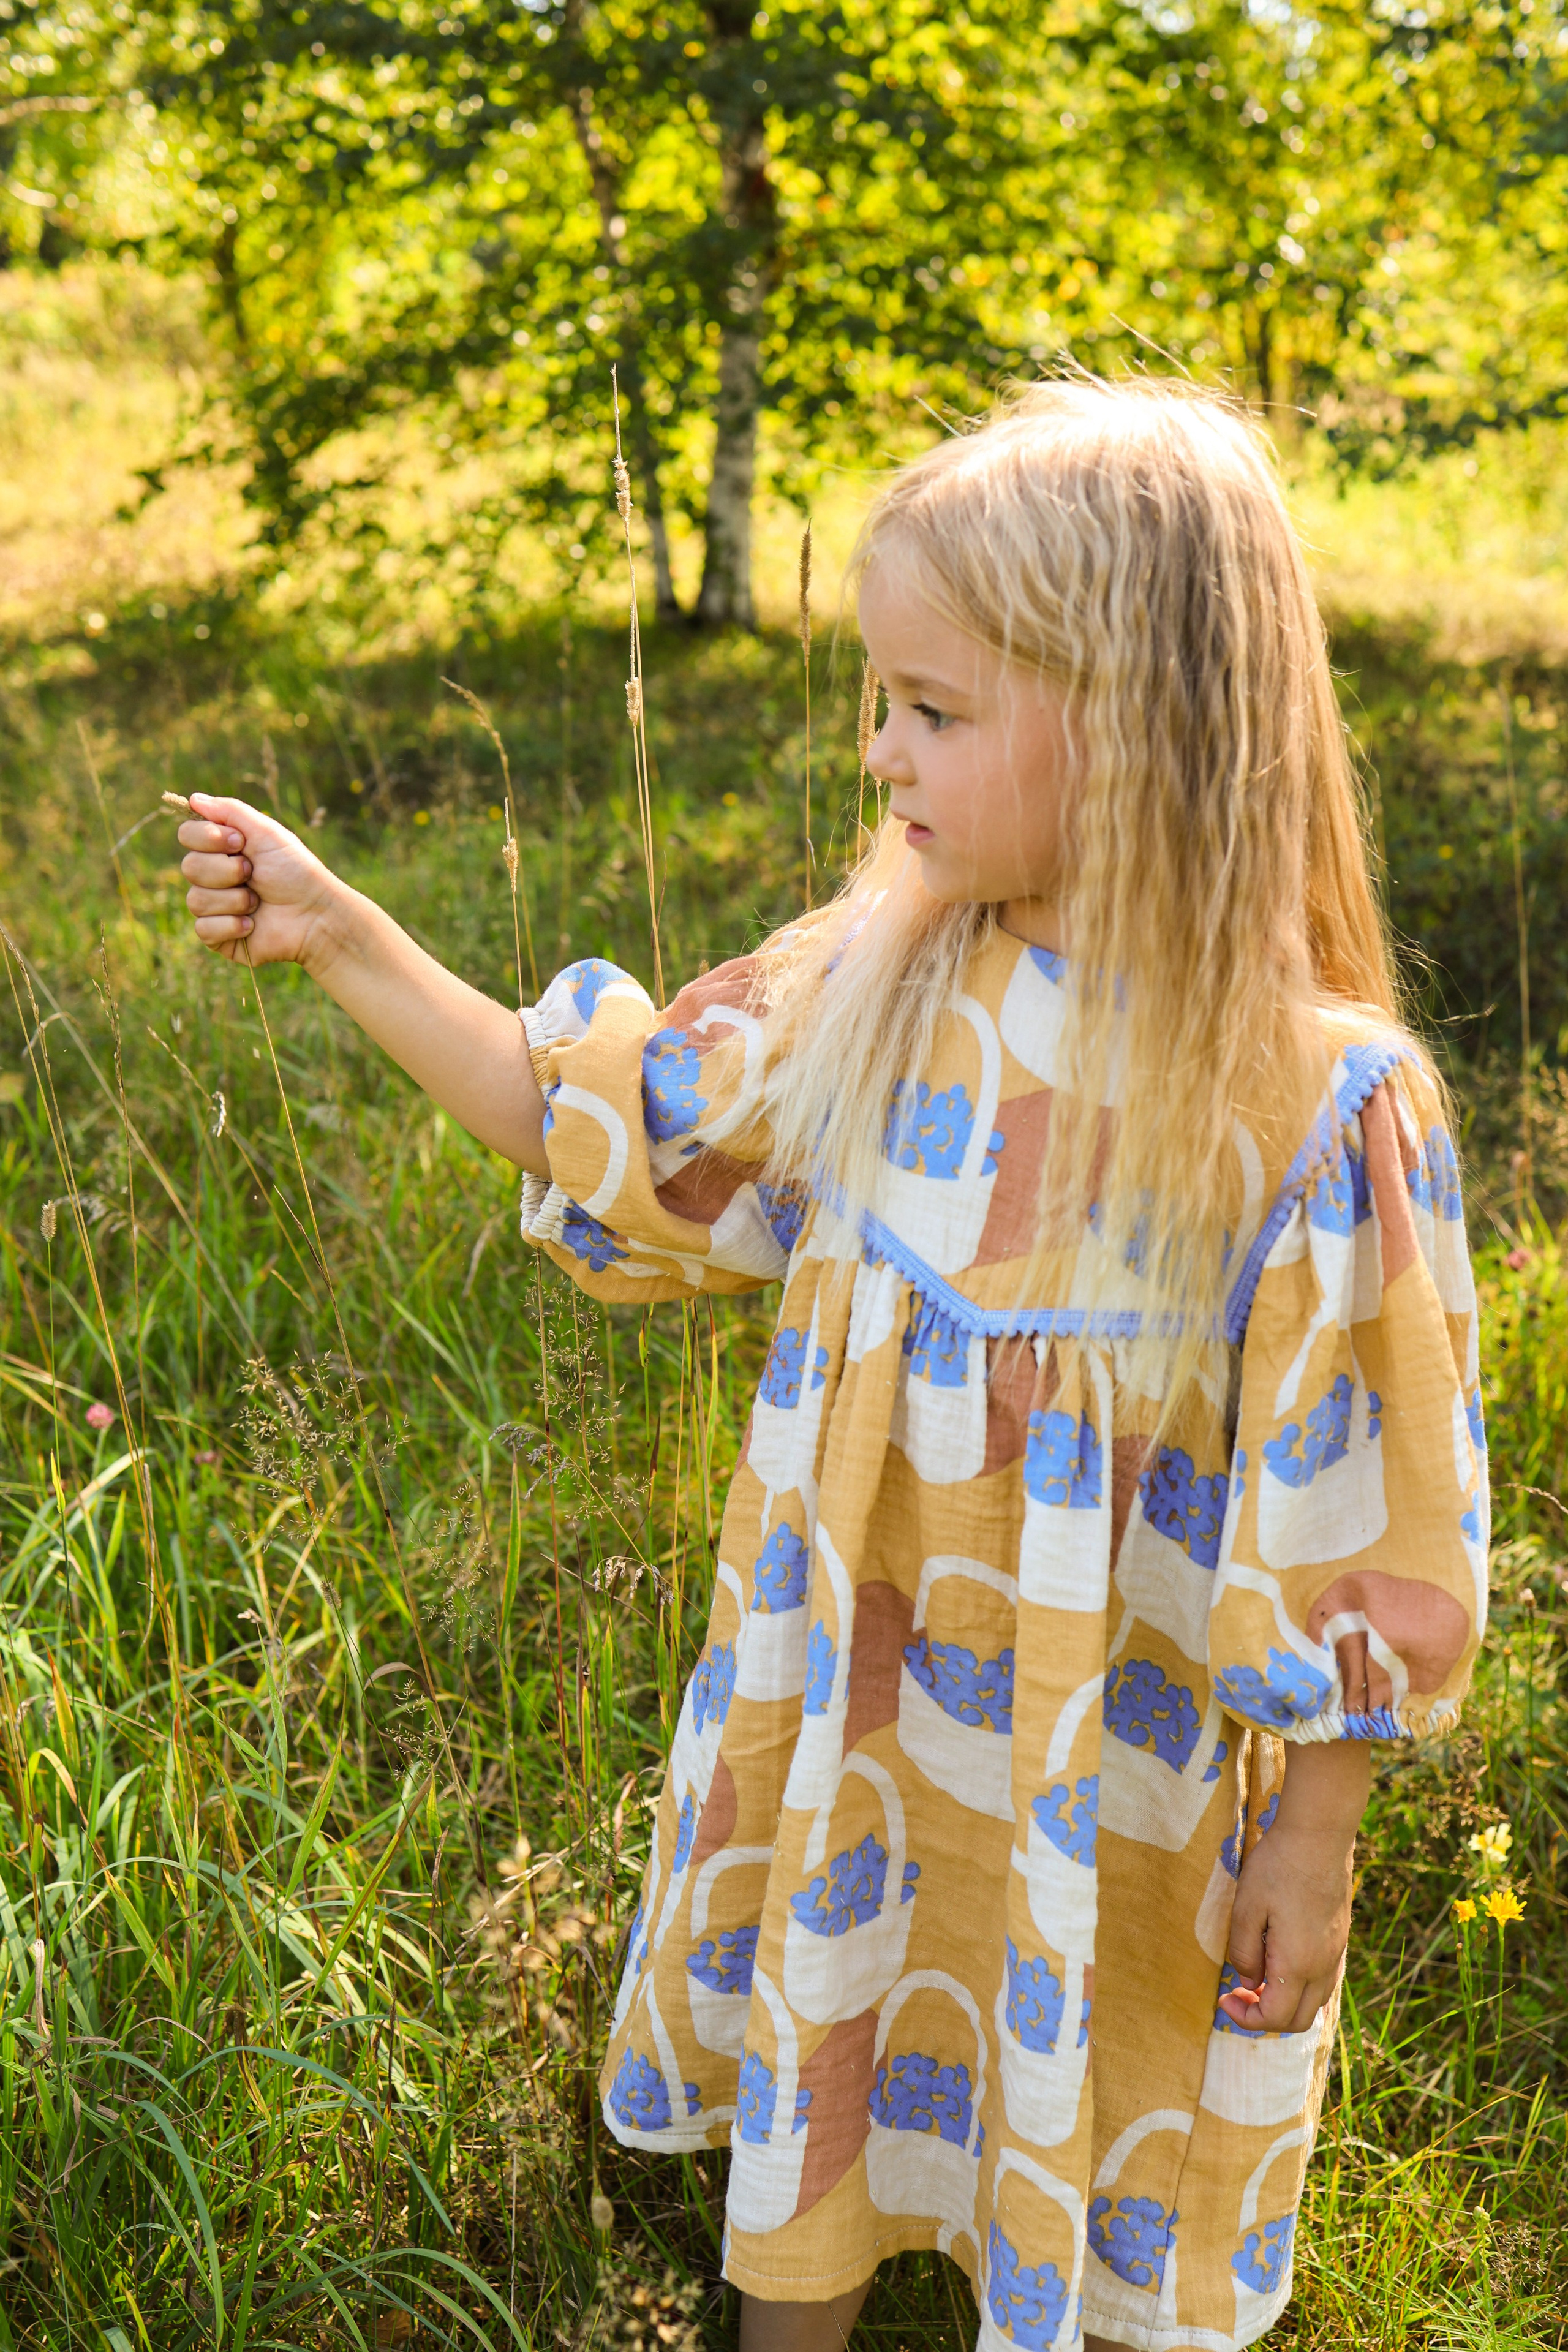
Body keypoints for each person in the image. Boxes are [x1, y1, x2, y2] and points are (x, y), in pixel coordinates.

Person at [176, 380, 1487, 2352]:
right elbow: (593, 1125)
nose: (880, 750)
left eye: (933, 710)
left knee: (1089, 2150)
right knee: (831, 2109)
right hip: (861, 1755)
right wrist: (349, 934)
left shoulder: (1306, 1108)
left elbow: (1367, 1511)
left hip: (1102, 1808)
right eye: (880, 697)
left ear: (1137, 726)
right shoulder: (883, 983)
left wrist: (1314, 1835)